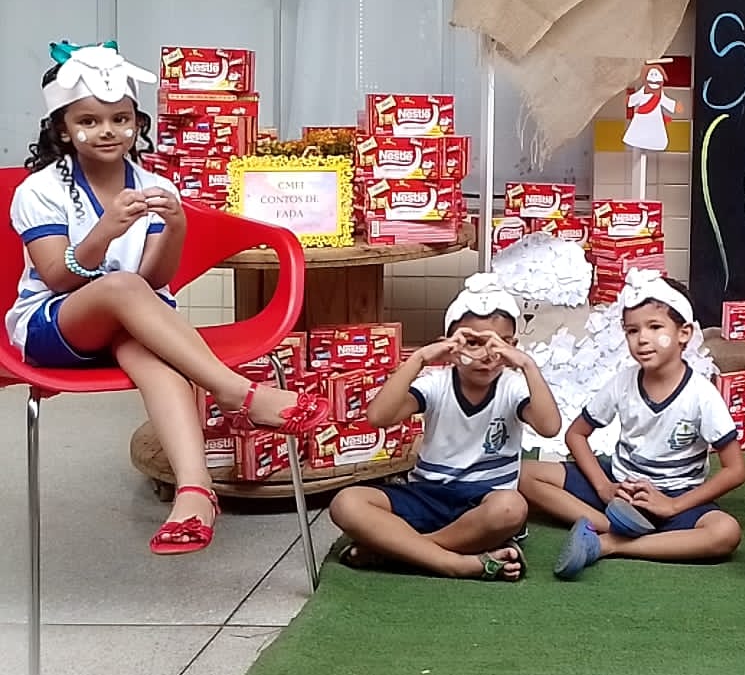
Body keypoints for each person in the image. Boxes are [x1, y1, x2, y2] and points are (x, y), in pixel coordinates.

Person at [3, 42, 331, 557]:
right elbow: (57, 277)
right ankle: (235, 391)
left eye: (120, 119)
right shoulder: (41, 189)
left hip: (131, 323)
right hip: (54, 326)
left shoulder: (153, 185)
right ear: (62, 129)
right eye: (88, 121)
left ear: (137, 123)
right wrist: (106, 231)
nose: (107, 131)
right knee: (121, 288)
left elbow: (155, 279)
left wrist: (176, 226)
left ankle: (195, 493)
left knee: (149, 348)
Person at [329, 273, 562, 580]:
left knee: (511, 508)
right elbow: (379, 416)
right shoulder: (436, 383)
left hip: (484, 502)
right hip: (428, 492)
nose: (485, 356)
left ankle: (402, 550)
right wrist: (420, 358)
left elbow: (549, 427)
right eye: (472, 343)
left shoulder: (512, 385)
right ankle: (455, 562)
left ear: (512, 347)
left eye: (498, 345)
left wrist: (527, 364)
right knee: (346, 503)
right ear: (449, 347)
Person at [519, 269, 745, 579]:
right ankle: (612, 523)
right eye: (632, 330)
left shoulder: (701, 395)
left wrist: (673, 506)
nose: (642, 339)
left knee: (725, 533)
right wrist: (604, 488)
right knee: (524, 474)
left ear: (684, 333)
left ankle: (611, 543)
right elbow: (576, 434)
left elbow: (736, 470)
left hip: (676, 496)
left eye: (655, 327)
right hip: (620, 488)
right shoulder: (623, 382)